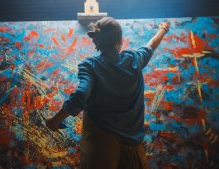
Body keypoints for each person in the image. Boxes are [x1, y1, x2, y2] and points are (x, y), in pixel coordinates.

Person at [47, 17, 169, 169]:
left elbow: (81, 95)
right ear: (120, 40)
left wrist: (55, 120)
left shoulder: (90, 66)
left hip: (101, 148)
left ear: (96, 41)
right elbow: (151, 45)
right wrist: (163, 29)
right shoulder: (134, 59)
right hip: (133, 148)